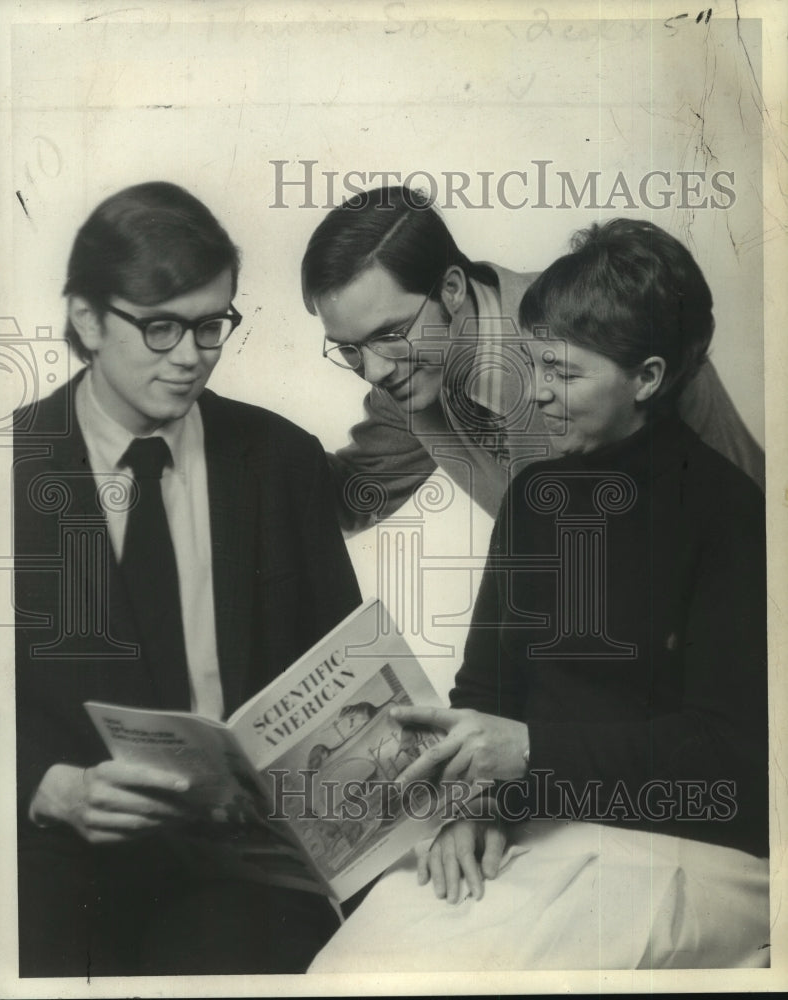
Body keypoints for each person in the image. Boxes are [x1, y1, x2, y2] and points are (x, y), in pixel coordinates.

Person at [309, 218, 769, 971]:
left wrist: (529, 756)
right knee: (351, 962)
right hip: (544, 808)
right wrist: (471, 804)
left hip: (672, 829)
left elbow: (731, 746)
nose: (540, 397)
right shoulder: (534, 492)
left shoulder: (723, 504)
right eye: (534, 367)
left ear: (648, 379)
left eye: (562, 374)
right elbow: (489, 681)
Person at [14, 182, 361, 976]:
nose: (190, 355)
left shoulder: (281, 461)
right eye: (160, 325)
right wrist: (40, 787)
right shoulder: (8, 466)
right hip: (55, 857)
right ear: (88, 319)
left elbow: (343, 684)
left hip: (244, 871)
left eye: (212, 325)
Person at [302, 186, 765, 533]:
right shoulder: (406, 385)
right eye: (349, 348)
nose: (375, 370)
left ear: (452, 288)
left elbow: (751, 507)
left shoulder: (608, 321)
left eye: (391, 334)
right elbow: (347, 499)